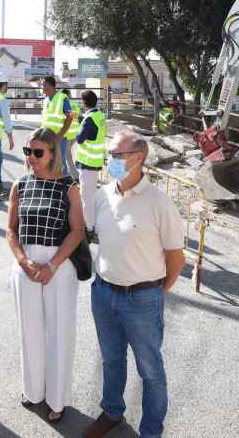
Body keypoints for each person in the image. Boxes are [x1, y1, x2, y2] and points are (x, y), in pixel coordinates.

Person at [84, 131, 185, 438]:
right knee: (111, 358)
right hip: (103, 293)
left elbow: (176, 259)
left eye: (117, 155)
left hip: (141, 299)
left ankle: (151, 431)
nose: (110, 161)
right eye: (110, 154)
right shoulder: (103, 195)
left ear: (138, 157)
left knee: (150, 371)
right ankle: (112, 412)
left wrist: (154, 291)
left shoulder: (159, 202)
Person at [7, 128, 85, 424]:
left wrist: (52, 265)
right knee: (30, 331)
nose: (31, 158)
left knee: (59, 333)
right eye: (28, 151)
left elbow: (78, 230)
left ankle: (57, 398)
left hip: (59, 267)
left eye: (38, 152)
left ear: (53, 153)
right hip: (25, 266)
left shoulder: (69, 185)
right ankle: (33, 390)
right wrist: (23, 261)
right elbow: (11, 230)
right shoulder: (20, 184)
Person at [74, 89, 106, 230]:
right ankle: (91, 223)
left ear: (84, 103)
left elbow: (80, 139)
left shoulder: (89, 120)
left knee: (87, 197)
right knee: (90, 195)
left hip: (87, 162)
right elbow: (91, 125)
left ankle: (88, 227)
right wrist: (79, 117)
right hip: (94, 161)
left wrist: (77, 129)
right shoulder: (99, 115)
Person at [40, 76, 73, 176]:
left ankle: (66, 187)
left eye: (43, 85)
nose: (42, 87)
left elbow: (70, 117)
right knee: (49, 163)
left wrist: (60, 135)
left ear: (49, 86)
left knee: (60, 163)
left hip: (59, 138)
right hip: (46, 138)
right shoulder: (45, 100)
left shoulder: (63, 98)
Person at [63, 88, 81, 179]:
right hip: (74, 135)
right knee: (66, 155)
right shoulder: (74, 104)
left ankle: (75, 176)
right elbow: (78, 116)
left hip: (66, 136)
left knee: (68, 157)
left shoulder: (63, 105)